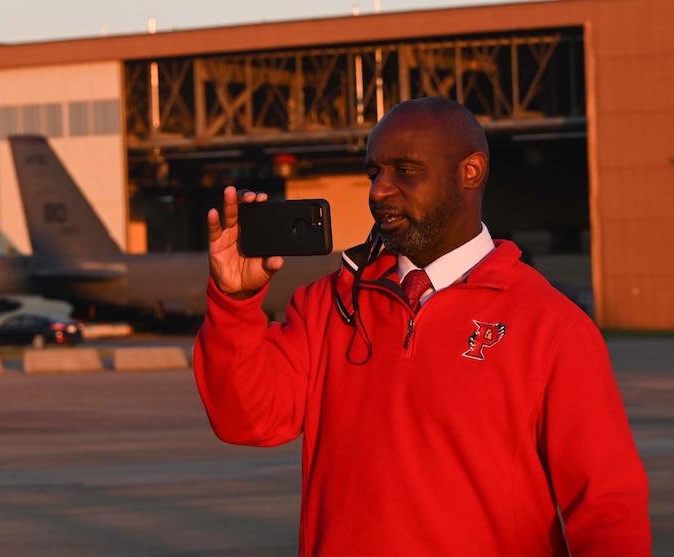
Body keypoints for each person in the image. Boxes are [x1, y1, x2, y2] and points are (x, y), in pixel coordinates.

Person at [193, 97, 650, 556]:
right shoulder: (329, 303)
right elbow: (247, 420)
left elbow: (608, 508)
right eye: (375, 173)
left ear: (470, 172)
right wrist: (234, 304)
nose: (379, 191)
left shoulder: (552, 327)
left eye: (405, 170)